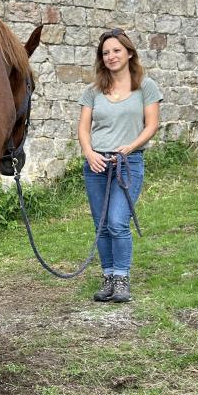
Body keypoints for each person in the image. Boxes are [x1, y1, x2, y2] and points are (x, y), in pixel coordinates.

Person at [77, 28, 162, 303]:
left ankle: (122, 279)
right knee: (101, 224)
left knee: (116, 221)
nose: (111, 56)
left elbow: (152, 125)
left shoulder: (145, 87)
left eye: (116, 50)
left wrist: (131, 146)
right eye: (105, 53)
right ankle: (108, 277)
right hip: (97, 164)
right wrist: (89, 154)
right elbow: (83, 128)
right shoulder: (92, 91)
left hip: (128, 162)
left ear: (129, 52)